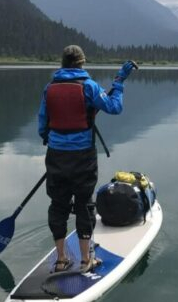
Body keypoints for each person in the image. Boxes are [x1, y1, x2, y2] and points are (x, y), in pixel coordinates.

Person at [37, 45, 137, 273]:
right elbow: (114, 107)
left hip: (56, 156)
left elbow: (43, 123)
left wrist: (51, 141)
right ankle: (85, 260)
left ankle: (61, 259)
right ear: (82, 63)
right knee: (84, 204)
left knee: (58, 205)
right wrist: (119, 83)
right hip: (83, 157)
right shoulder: (89, 87)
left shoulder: (49, 88)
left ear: (62, 64)